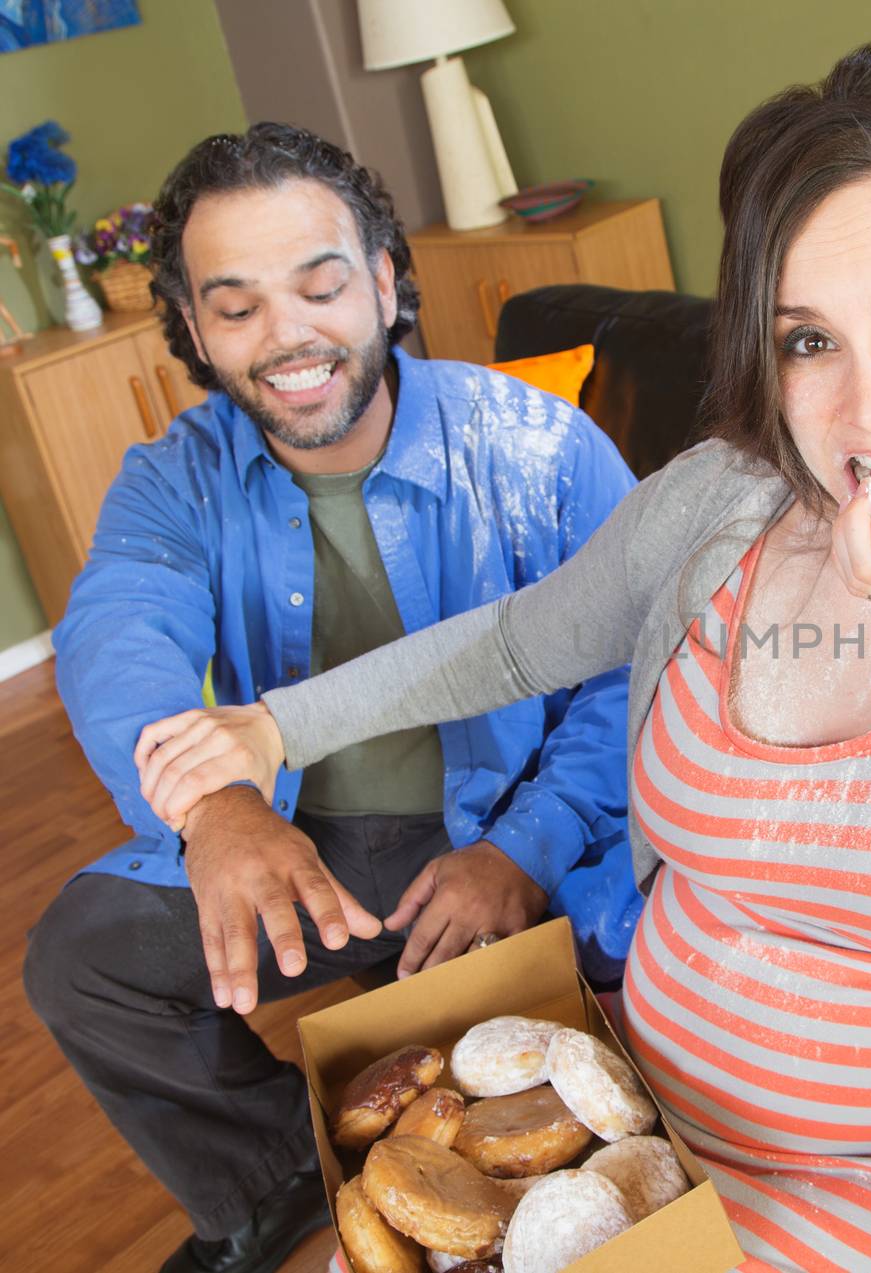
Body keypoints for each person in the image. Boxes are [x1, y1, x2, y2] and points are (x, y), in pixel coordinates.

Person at [134, 45, 871, 1273]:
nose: (870, 406)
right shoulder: (720, 505)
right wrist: (273, 728)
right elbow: (518, 637)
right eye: (809, 342)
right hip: (646, 1136)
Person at [23, 123, 640, 1273]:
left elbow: (636, 675)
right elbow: (118, 638)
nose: (288, 335)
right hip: (300, 844)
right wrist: (216, 809)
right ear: (195, 331)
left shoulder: (538, 447)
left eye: (319, 285)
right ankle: (302, 1198)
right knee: (83, 957)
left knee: (610, 1048)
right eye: (238, 304)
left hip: (513, 825)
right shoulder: (173, 479)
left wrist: (526, 848)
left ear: (385, 282)